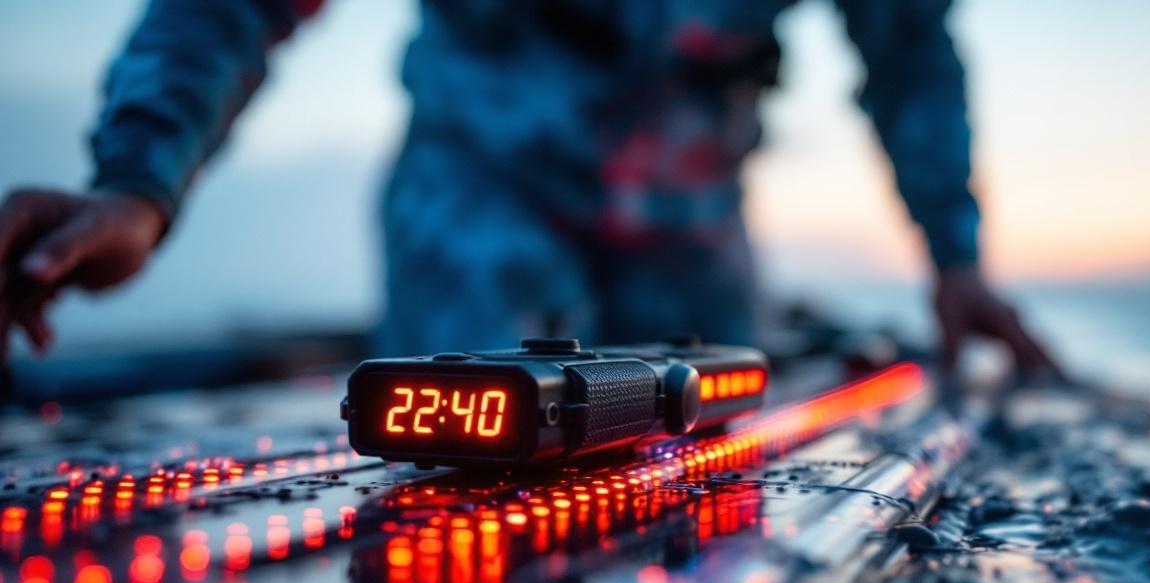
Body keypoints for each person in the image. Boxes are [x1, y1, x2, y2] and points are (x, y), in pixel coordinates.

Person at [0, 0, 1058, 377]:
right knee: (459, 477)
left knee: (717, 476)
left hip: (695, 235)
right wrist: (136, 185)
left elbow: (910, 49)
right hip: (477, 201)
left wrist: (955, 259)